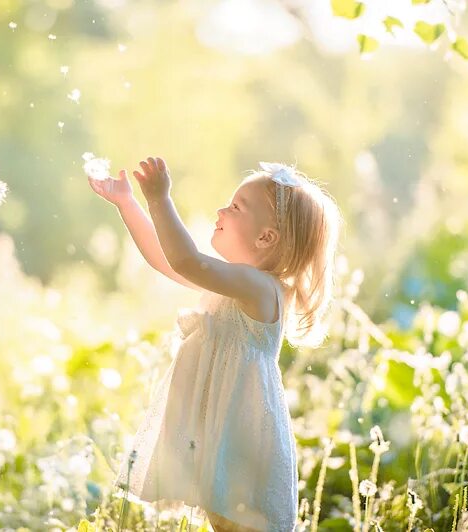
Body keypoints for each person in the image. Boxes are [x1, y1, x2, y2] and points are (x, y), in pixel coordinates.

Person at [87, 156, 342, 532]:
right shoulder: (234, 284)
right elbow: (168, 262)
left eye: (236, 207)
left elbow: (188, 261)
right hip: (220, 432)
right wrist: (128, 204)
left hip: (243, 441)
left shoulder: (259, 288)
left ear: (265, 237)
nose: (222, 209)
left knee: (240, 522)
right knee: (222, 521)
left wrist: (160, 199)